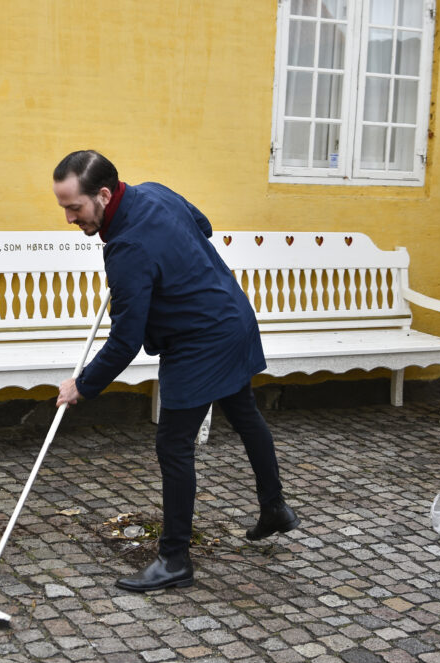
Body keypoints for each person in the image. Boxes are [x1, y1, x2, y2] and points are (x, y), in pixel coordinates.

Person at [52, 150, 300, 592]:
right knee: (245, 415)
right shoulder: (154, 192)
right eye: (64, 207)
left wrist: (82, 386)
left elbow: (125, 341)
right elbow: (202, 226)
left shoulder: (127, 250)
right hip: (231, 316)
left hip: (200, 340)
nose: (69, 218)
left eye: (75, 207)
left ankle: (174, 560)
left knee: (173, 445)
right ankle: (275, 508)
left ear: (104, 195)